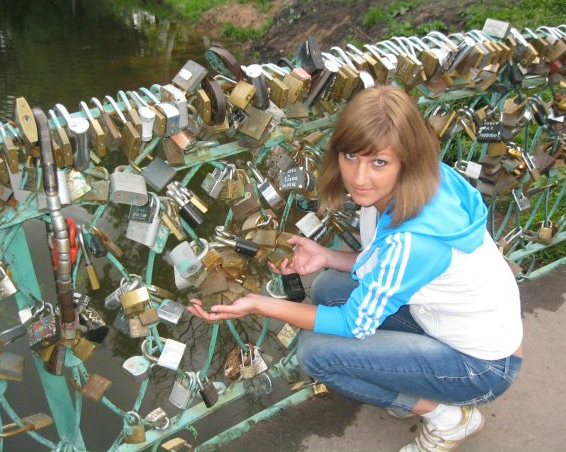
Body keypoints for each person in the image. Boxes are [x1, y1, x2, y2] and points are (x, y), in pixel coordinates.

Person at [188, 85, 523, 452]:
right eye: (351, 156)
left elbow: (355, 321)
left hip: (482, 367)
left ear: (406, 160)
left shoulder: (414, 240)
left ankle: (448, 418)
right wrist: (326, 256)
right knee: (328, 286)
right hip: (454, 324)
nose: (359, 178)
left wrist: (259, 304)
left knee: (316, 355)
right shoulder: (417, 184)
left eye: (379, 162)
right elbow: (386, 263)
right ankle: (408, 378)